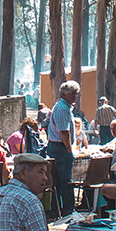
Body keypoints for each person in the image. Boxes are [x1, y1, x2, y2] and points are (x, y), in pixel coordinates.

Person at [46, 81, 80, 218]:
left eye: (76, 93)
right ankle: (67, 210)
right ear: (64, 94)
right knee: (66, 182)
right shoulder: (62, 109)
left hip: (58, 147)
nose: (75, 96)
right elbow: (64, 133)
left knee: (59, 182)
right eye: (73, 93)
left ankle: (58, 210)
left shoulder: (64, 107)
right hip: (60, 148)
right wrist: (69, 151)